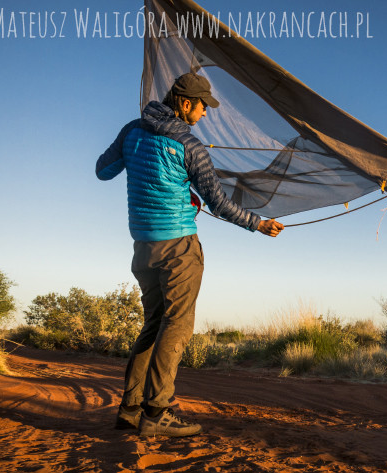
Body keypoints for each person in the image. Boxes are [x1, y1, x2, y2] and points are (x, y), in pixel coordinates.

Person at [96, 72, 284, 437]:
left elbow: (103, 171)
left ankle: (130, 410)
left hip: (143, 248)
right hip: (180, 248)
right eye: (202, 107)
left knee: (152, 324)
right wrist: (257, 224)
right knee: (177, 327)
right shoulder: (189, 145)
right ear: (185, 104)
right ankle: (157, 411)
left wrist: (138, 161)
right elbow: (219, 204)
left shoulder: (132, 130)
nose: (205, 114)